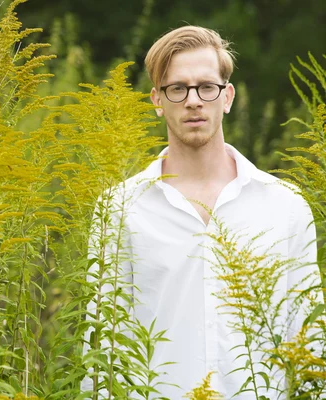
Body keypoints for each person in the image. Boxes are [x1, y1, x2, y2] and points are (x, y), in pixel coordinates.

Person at [81, 26, 321, 399]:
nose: (193, 100)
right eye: (177, 88)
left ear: (227, 96)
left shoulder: (286, 206)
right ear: (157, 100)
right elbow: (101, 346)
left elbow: (310, 340)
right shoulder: (120, 209)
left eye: (206, 87)